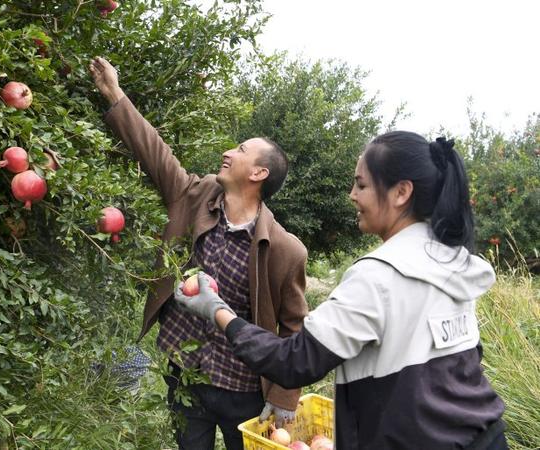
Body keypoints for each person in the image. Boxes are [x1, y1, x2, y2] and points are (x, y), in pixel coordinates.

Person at [175, 131, 507, 449]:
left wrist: (216, 310)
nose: (353, 195)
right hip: (486, 435)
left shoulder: (378, 276)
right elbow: (466, 360)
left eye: (361, 184)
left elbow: (295, 361)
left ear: (401, 192)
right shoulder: (452, 264)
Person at [88, 56, 309, 449]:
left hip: (244, 391)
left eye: (241, 149)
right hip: (185, 376)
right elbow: (154, 153)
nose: (229, 151)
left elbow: (295, 330)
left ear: (259, 174)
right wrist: (114, 94)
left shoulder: (286, 250)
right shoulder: (195, 196)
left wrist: (282, 398)